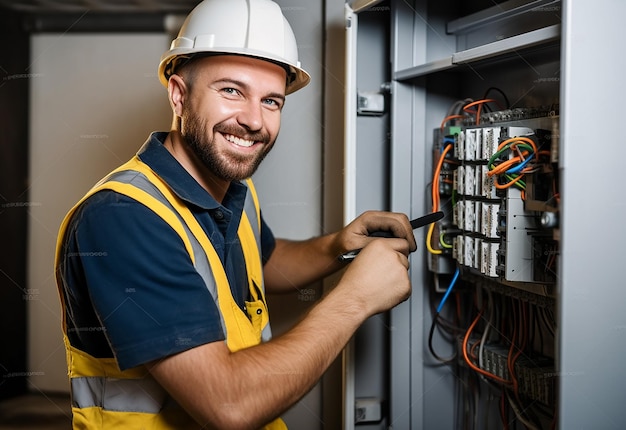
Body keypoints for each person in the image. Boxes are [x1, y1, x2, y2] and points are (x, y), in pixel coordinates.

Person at [54, 0, 416, 428]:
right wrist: (354, 299)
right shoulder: (122, 218)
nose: (253, 121)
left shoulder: (231, 187)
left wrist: (338, 246)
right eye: (231, 90)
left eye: (272, 101)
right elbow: (228, 406)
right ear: (178, 93)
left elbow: (264, 262)